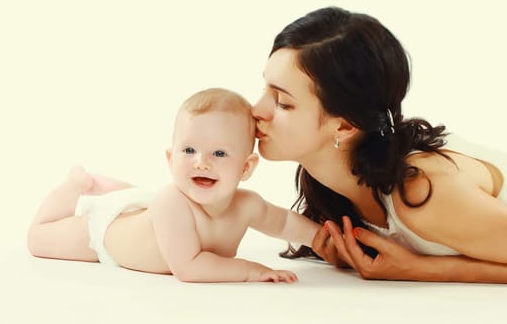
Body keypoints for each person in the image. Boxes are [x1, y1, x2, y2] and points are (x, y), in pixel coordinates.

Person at [252, 6, 507, 284]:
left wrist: (422, 269)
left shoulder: (421, 191)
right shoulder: (334, 184)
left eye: (283, 102)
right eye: (264, 89)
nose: (256, 110)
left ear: (345, 125)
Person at [27, 88, 321, 283]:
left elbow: (282, 222)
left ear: (246, 167)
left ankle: (115, 189)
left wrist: (324, 240)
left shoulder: (247, 205)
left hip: (141, 211)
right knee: (38, 240)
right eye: (189, 151)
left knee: (137, 200)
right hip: (105, 235)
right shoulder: (173, 201)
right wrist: (251, 271)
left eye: (219, 154)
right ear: (171, 158)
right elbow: (188, 267)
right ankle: (77, 183)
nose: (201, 163)